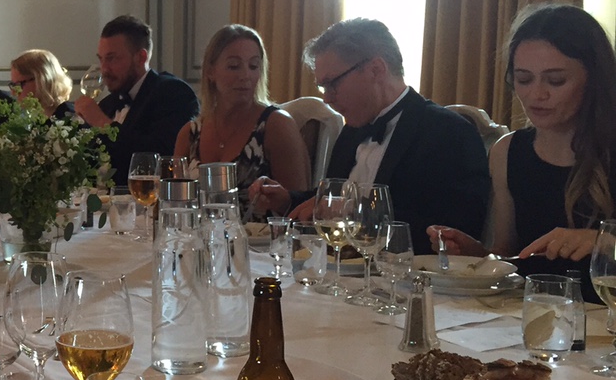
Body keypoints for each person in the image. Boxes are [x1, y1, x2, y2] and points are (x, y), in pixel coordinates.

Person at [249, 18, 489, 252]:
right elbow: (331, 199)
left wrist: (353, 212)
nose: (327, 98)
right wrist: (287, 200)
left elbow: (458, 230)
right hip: (339, 269)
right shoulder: (353, 129)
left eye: (332, 84)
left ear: (376, 69)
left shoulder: (449, 132)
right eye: (323, 87)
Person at [428, 3, 616, 270]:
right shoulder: (507, 152)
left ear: (594, 80)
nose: (536, 95)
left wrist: (605, 242)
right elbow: (511, 257)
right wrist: (475, 254)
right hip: (532, 298)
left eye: (556, 81)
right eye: (524, 79)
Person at [173, 24, 309, 203]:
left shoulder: (276, 125)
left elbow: (297, 204)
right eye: (234, 66)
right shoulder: (189, 135)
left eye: (253, 66)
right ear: (210, 72)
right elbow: (174, 203)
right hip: (195, 223)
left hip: (260, 223)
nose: (245, 75)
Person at [73, 15, 200, 185]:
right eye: (101, 59)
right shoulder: (107, 104)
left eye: (112, 58)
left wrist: (102, 123)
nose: (104, 69)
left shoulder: (173, 93)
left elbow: (161, 158)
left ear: (141, 57)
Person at [10, 49, 76, 121]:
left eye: (18, 85)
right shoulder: (32, 119)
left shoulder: (69, 119)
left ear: (42, 81)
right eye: (13, 85)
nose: (13, 93)